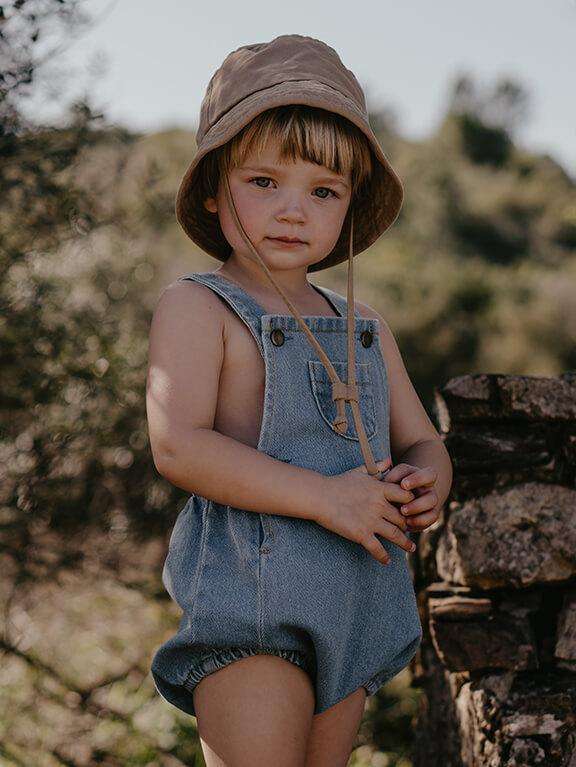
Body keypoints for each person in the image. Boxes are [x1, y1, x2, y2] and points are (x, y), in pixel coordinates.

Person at [146, 33, 453, 767]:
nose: (292, 210)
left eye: (323, 191)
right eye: (263, 183)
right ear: (215, 187)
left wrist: (427, 478)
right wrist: (328, 497)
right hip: (253, 611)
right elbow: (179, 445)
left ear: (350, 206)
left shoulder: (363, 325)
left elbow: (422, 438)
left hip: (351, 609)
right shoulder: (199, 307)